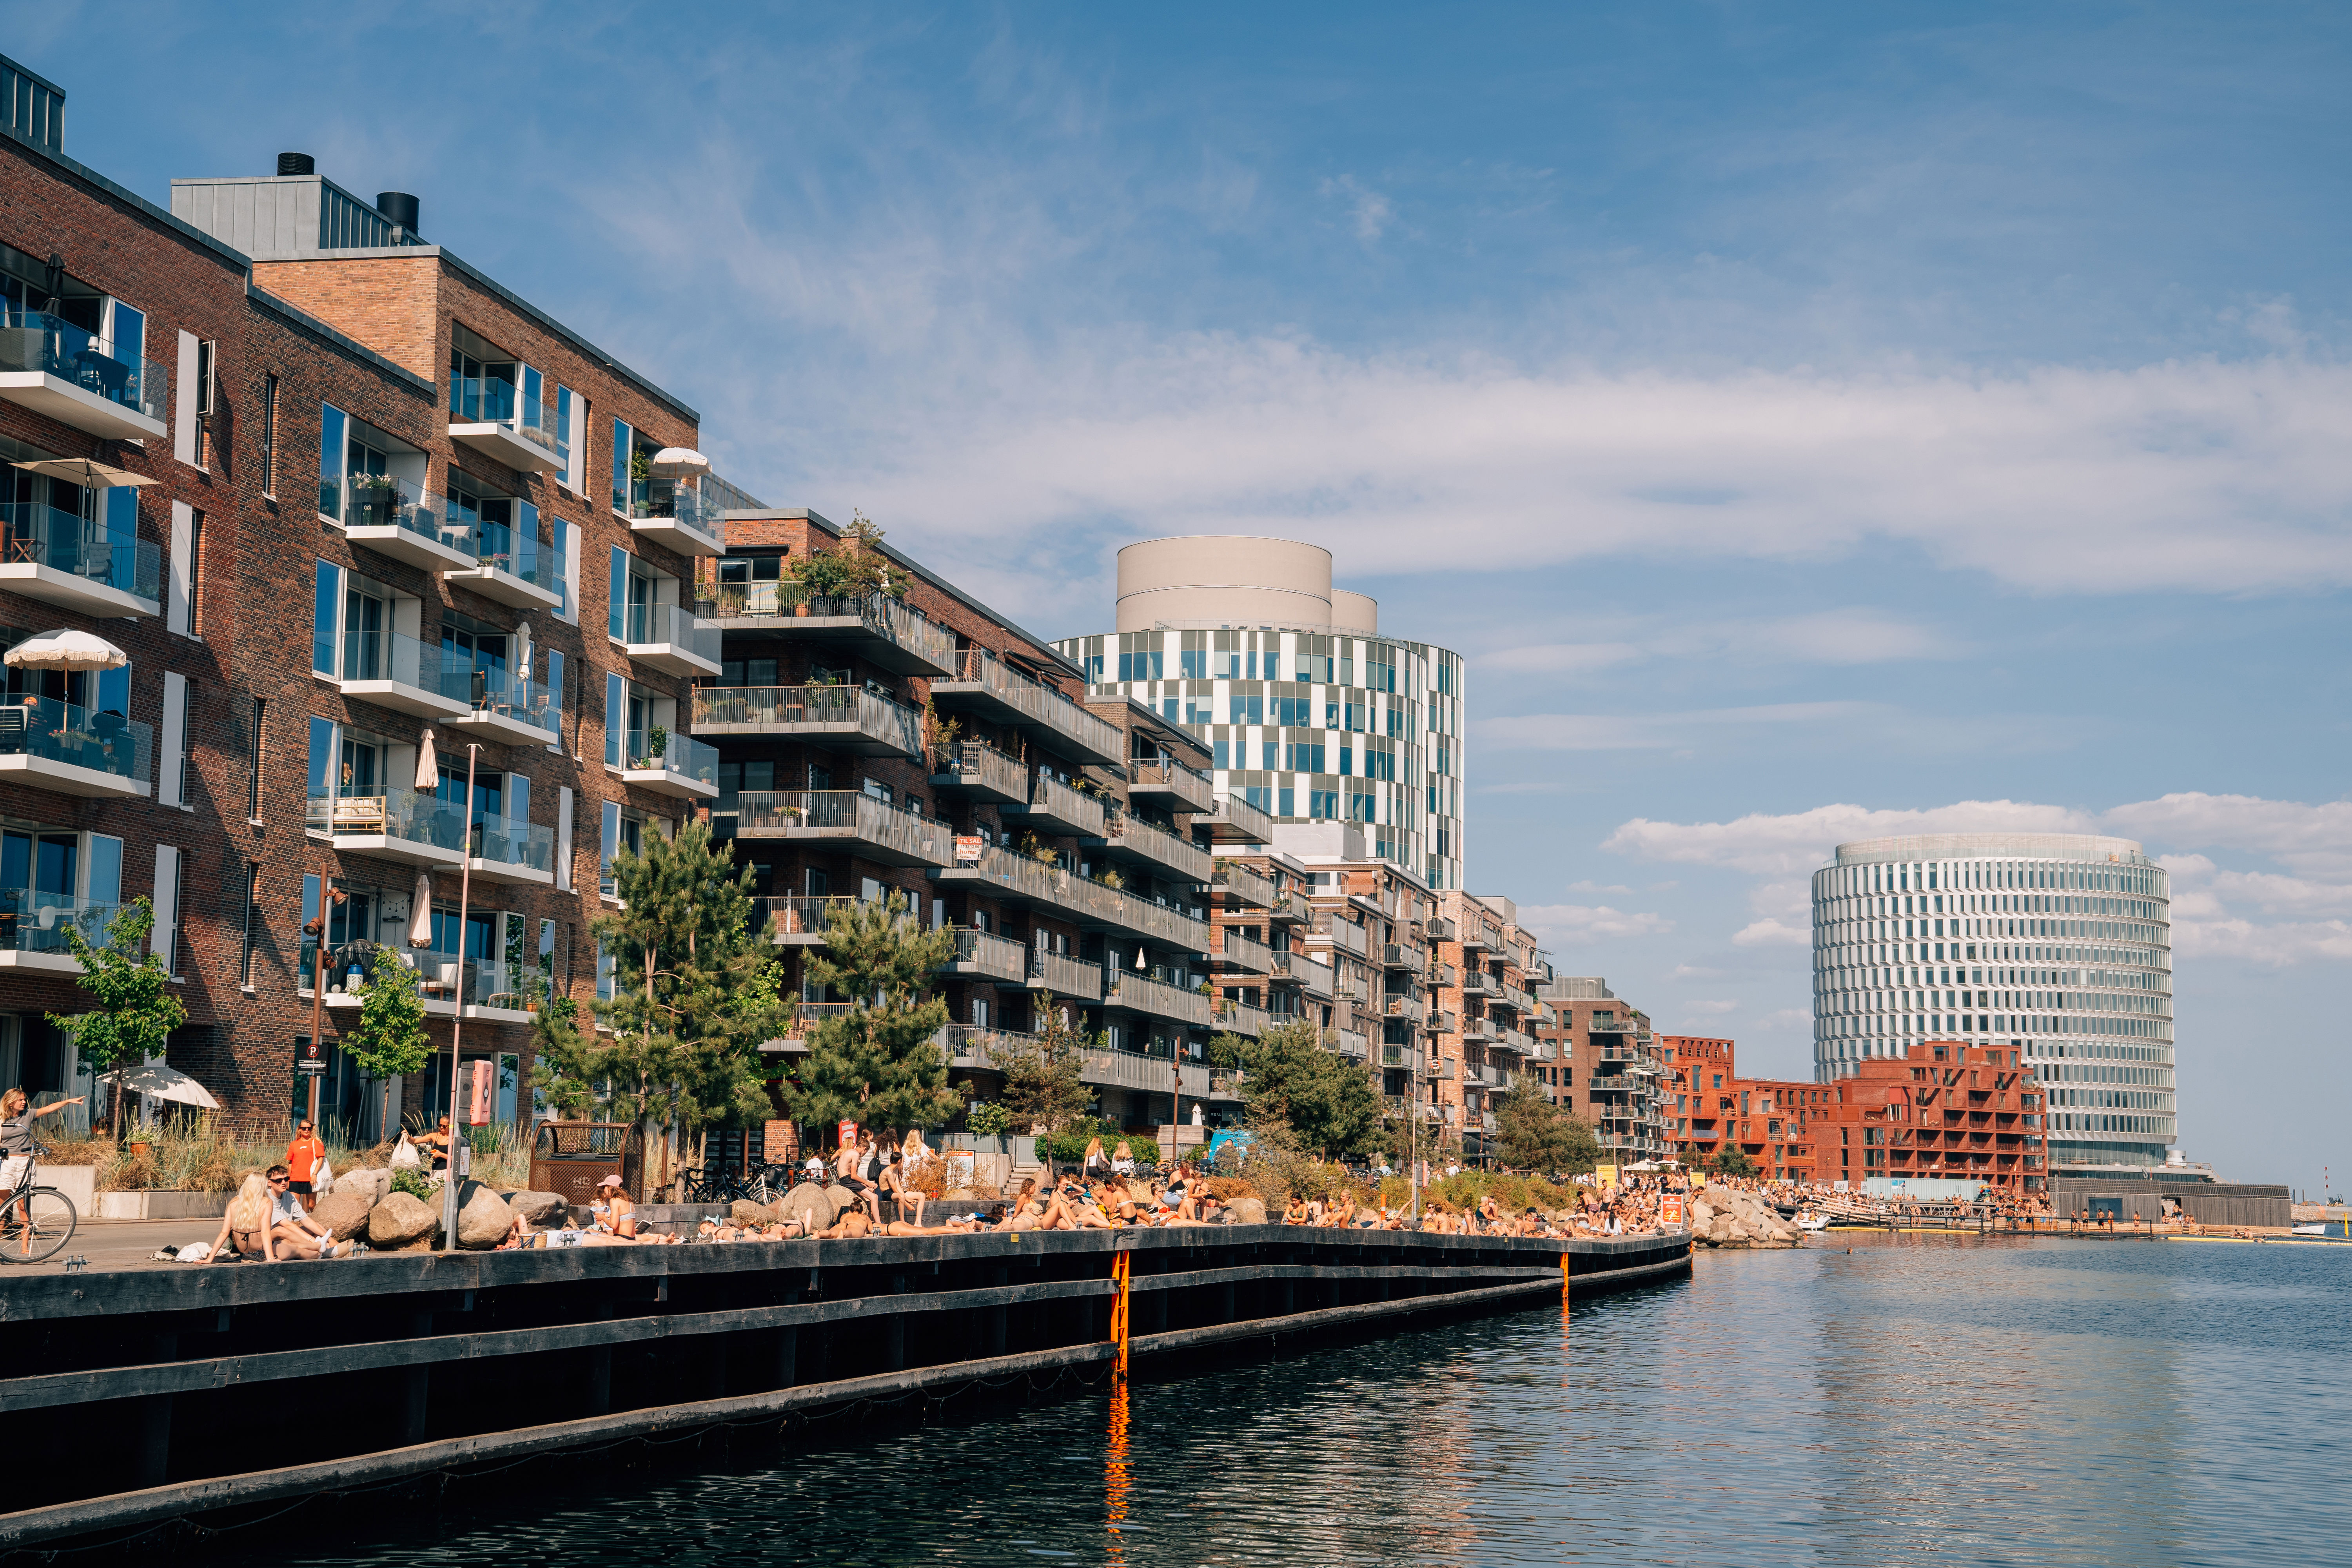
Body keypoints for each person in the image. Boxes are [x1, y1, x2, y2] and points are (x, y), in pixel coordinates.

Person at [0, 1088, 82, 1211]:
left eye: (24, 1100)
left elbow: (50, 1108)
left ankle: (26, 1230)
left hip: (26, 1162)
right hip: (7, 1162)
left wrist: (69, 1101)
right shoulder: (2, 1119)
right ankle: (2, 1230)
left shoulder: (28, 1114)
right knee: (3, 1205)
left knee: (23, 1205)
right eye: (20, 1100)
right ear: (11, 1103)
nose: (24, 1102)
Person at [285, 1118, 327, 1212]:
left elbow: (321, 1159)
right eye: (304, 1128)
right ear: (300, 1129)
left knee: (312, 1206)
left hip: (310, 1179)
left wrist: (314, 1174)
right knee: (294, 1206)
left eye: (309, 1128)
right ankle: (296, 1226)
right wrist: (288, 1179)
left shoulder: (316, 1142)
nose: (307, 1130)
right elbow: (291, 1163)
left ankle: (315, 1225)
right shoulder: (294, 1144)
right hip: (295, 1179)